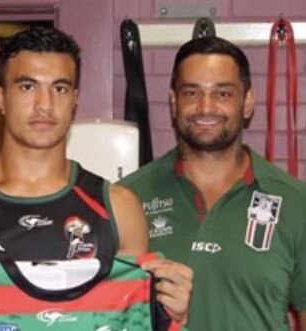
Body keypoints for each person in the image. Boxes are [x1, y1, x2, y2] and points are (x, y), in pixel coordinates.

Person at [0, 25, 192, 330]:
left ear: (75, 99)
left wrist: (175, 316)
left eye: (59, 88)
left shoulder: (119, 209)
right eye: (27, 86)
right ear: (1, 98)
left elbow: (133, 320)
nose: (44, 105)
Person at [118, 36, 306, 330]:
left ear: (248, 103)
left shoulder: (296, 203)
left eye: (223, 94)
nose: (206, 107)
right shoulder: (128, 198)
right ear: (173, 102)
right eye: (191, 93)